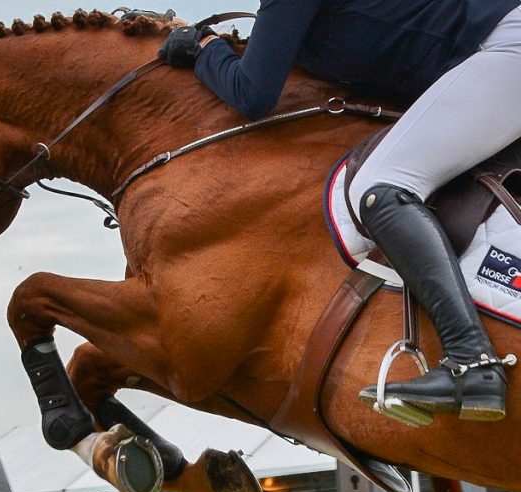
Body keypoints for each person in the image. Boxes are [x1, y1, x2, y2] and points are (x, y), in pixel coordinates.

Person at [159, 0, 521, 421]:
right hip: (498, 43)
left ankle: (471, 361)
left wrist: (205, 48)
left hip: (507, 44)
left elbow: (252, 94)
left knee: (380, 187)